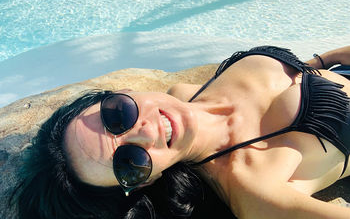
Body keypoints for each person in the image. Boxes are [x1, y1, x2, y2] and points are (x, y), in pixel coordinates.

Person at [9, 45, 350, 219]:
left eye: (118, 115)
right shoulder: (253, 189)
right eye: (129, 161)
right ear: (146, 180)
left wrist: (322, 58)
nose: (145, 131)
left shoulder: (182, 93)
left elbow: (309, 71)